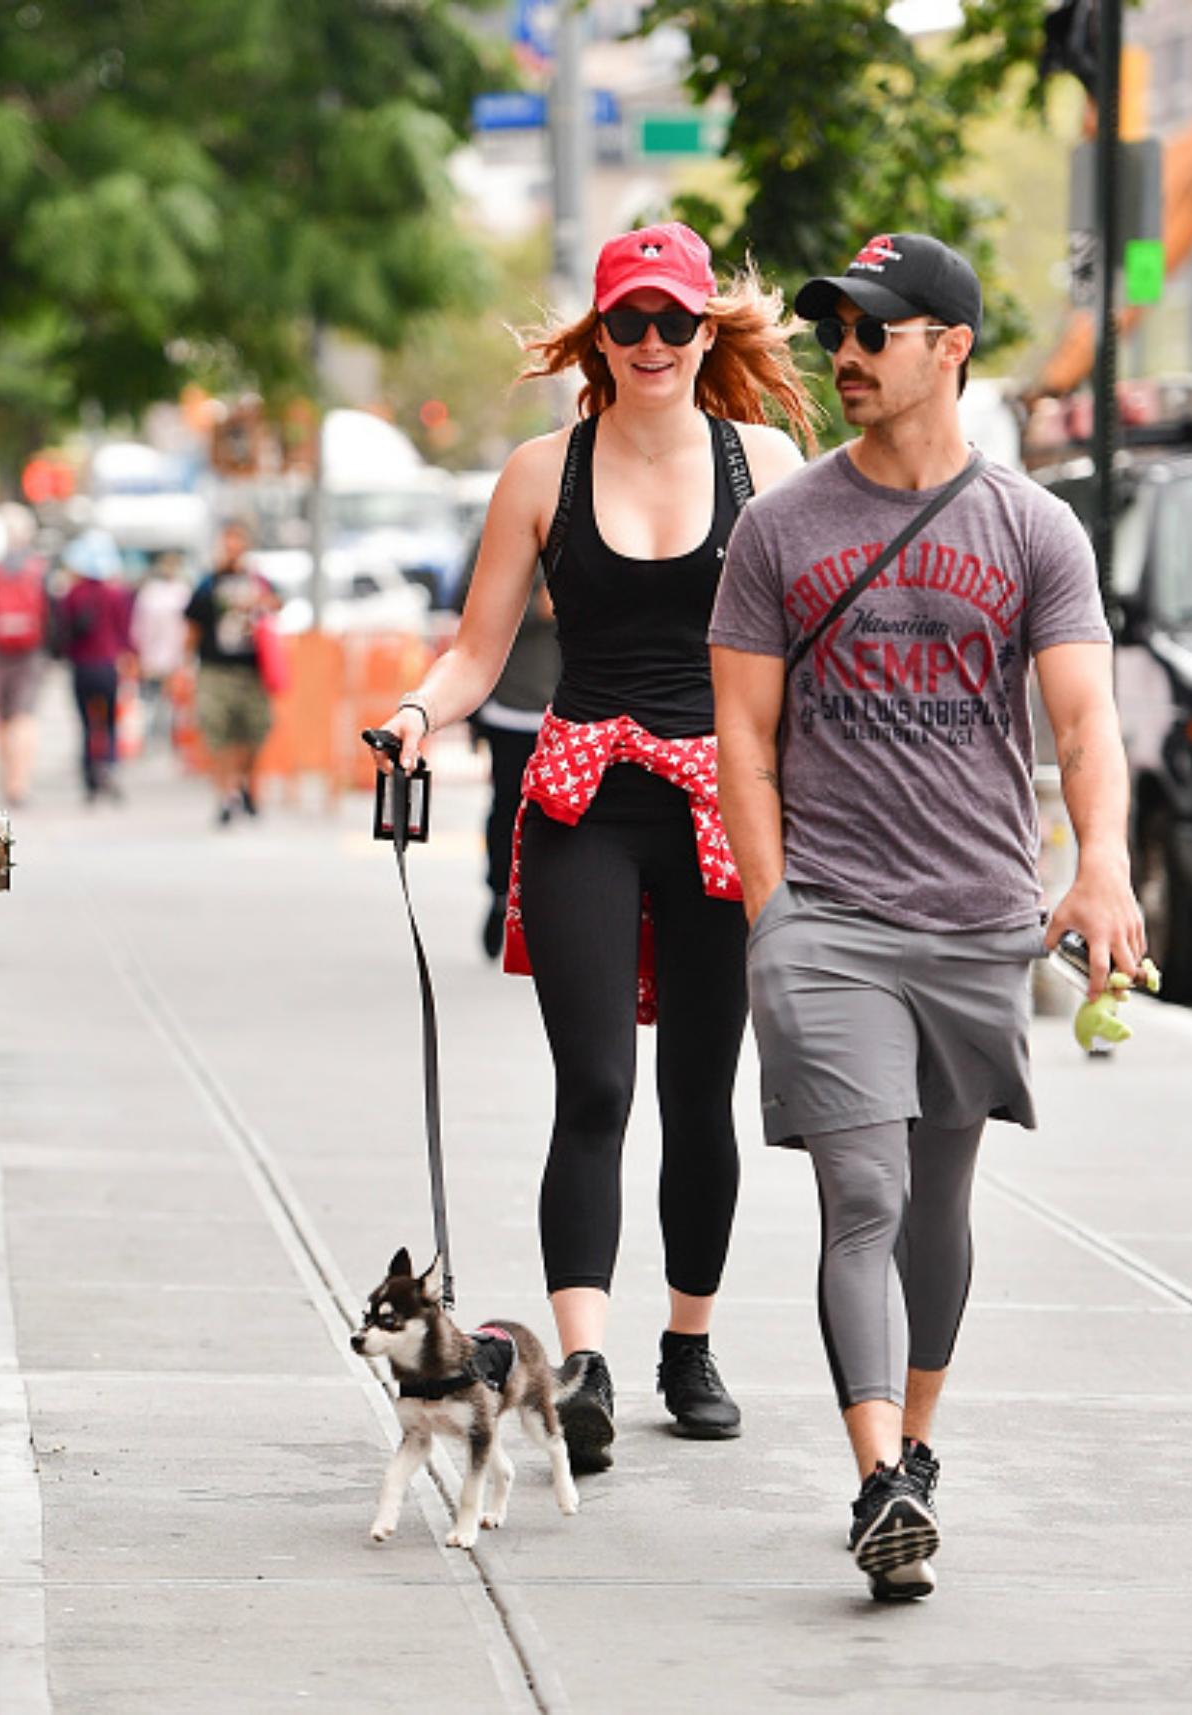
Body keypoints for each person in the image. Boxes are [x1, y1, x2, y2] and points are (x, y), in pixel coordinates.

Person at [709, 232, 1145, 1601]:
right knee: (866, 1190)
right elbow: (742, 730)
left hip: (974, 919)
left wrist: (1104, 862)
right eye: (836, 329)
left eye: (875, 331)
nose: (845, 352)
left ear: (949, 345)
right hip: (829, 917)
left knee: (939, 1211)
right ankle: (876, 1470)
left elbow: (1083, 723)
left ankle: (917, 1455)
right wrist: (775, 910)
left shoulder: (1031, 528)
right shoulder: (781, 526)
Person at [372, 222, 816, 1472]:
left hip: (724, 802)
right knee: (599, 1087)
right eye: (631, 322)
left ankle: (690, 1341)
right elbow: (475, 650)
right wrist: (415, 717)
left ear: (706, 332)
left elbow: (813, 649)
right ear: (600, 337)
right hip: (582, 799)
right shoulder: (540, 473)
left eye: (678, 321)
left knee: (698, 1092)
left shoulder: (768, 465)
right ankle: (587, 1366)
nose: (656, 343)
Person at [455, 540, 561, 958]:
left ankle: (552, 912)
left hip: (581, 708)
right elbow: (469, 601)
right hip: (514, 704)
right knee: (508, 808)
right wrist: (533, 599)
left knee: (569, 819)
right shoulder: (502, 526)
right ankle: (500, 893)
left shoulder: (609, 515)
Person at [183, 521, 278, 826]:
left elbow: (278, 607)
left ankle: (245, 785)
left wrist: (261, 604)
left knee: (254, 733)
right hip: (215, 670)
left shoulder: (259, 583)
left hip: (252, 672)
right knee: (218, 734)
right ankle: (226, 795)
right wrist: (184, 668)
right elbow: (192, 627)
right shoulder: (208, 584)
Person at [0, 503, 50, 808]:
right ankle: (20, 782)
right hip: (30, 653)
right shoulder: (38, 569)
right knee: (25, 716)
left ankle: (7, 778)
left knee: (2, 717)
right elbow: (51, 617)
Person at [57, 528, 134, 803]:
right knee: (110, 721)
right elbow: (126, 633)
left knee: (87, 723)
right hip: (108, 665)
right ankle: (109, 766)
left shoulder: (72, 594)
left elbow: (62, 631)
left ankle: (90, 775)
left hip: (81, 666)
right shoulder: (116, 594)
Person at [130, 551, 192, 746]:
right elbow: (140, 626)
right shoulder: (150, 592)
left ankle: (170, 735)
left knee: (172, 698)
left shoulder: (181, 591)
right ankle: (149, 736)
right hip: (153, 652)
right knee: (150, 696)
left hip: (174, 653)